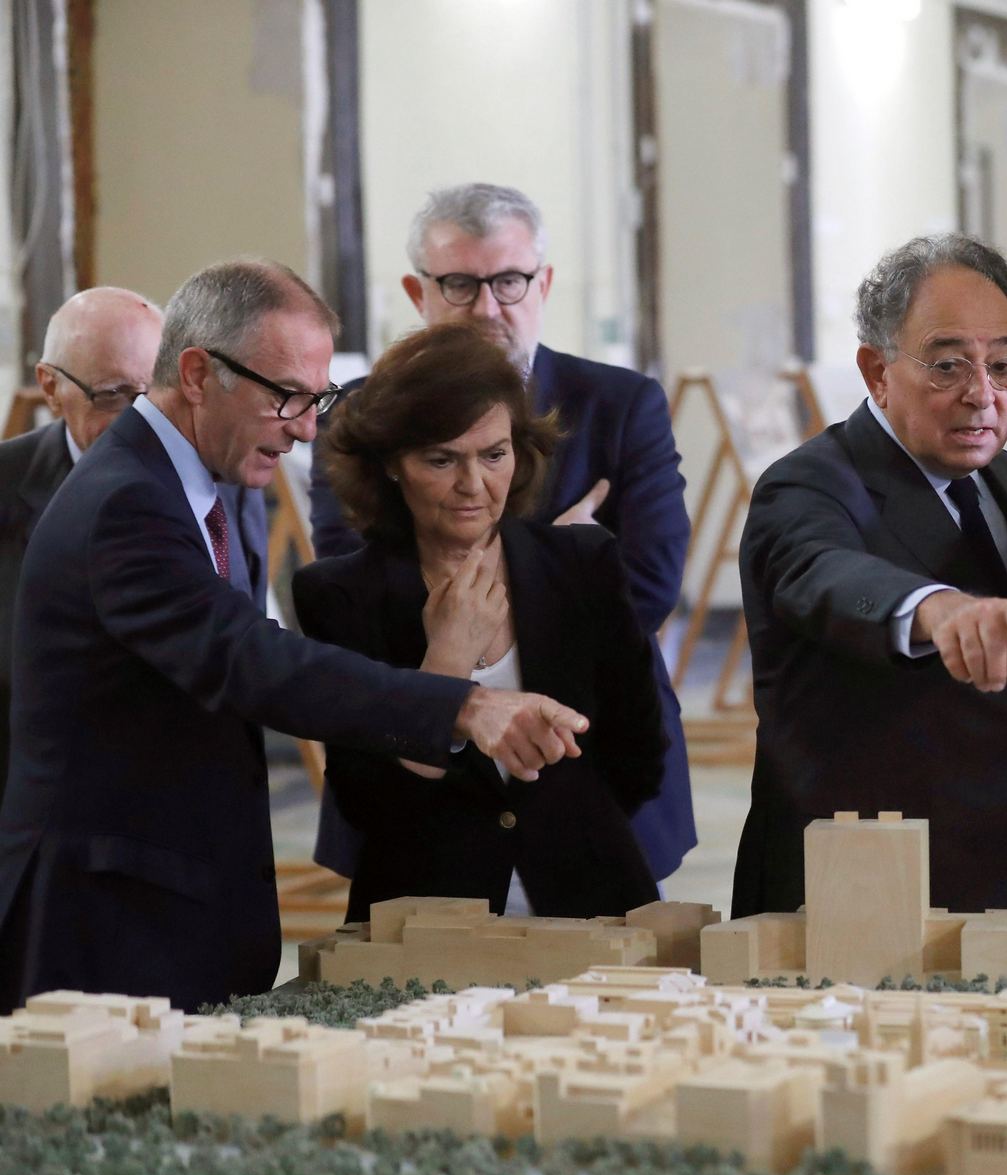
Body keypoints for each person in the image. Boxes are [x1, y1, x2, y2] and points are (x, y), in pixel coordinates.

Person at [0, 259, 591, 1013]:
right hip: (111, 914)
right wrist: (465, 706)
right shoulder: (127, 503)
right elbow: (250, 659)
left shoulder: (196, 480)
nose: (308, 428)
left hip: (165, 895)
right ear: (195, 373)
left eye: (319, 399)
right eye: (286, 398)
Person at [308, 183, 695, 881]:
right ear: (417, 289)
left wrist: (556, 564)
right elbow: (349, 568)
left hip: (588, 763)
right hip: (412, 806)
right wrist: (559, 545)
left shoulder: (618, 403)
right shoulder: (357, 415)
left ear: (543, 282)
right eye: (459, 284)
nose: (487, 307)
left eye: (510, 281)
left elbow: (651, 577)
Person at [734, 234, 1007, 935]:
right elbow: (823, 572)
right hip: (860, 911)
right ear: (876, 370)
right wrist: (936, 610)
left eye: (1003, 365)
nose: (982, 394)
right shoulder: (807, 484)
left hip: (1006, 886)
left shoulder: (1003, 477)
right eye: (948, 365)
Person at [294, 323, 665, 920]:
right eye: (441, 459)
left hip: (587, 898)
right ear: (391, 463)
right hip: (426, 915)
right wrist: (444, 664)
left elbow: (638, 756)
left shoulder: (582, 564)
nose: (473, 485)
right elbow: (367, 805)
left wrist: (565, 824)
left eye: (494, 455)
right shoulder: (339, 595)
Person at [0, 288, 170, 801]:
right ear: (50, 387)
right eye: (113, 395)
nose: (143, 421)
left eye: (155, 392)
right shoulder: (6, 488)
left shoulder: (222, 478)